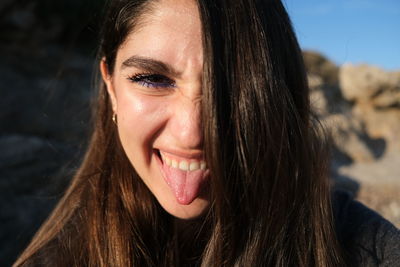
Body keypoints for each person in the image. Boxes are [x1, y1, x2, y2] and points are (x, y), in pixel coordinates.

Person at [14, 0, 400, 266]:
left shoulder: (367, 248)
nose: (191, 133)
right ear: (111, 88)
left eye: (232, 87)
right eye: (152, 79)